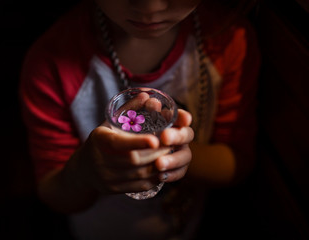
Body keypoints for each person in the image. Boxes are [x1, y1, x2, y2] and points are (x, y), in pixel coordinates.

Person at [19, 0, 260, 239]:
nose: (150, 8)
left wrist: (174, 155)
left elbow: (236, 162)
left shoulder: (228, 40)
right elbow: (53, 191)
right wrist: (84, 172)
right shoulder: (50, 63)